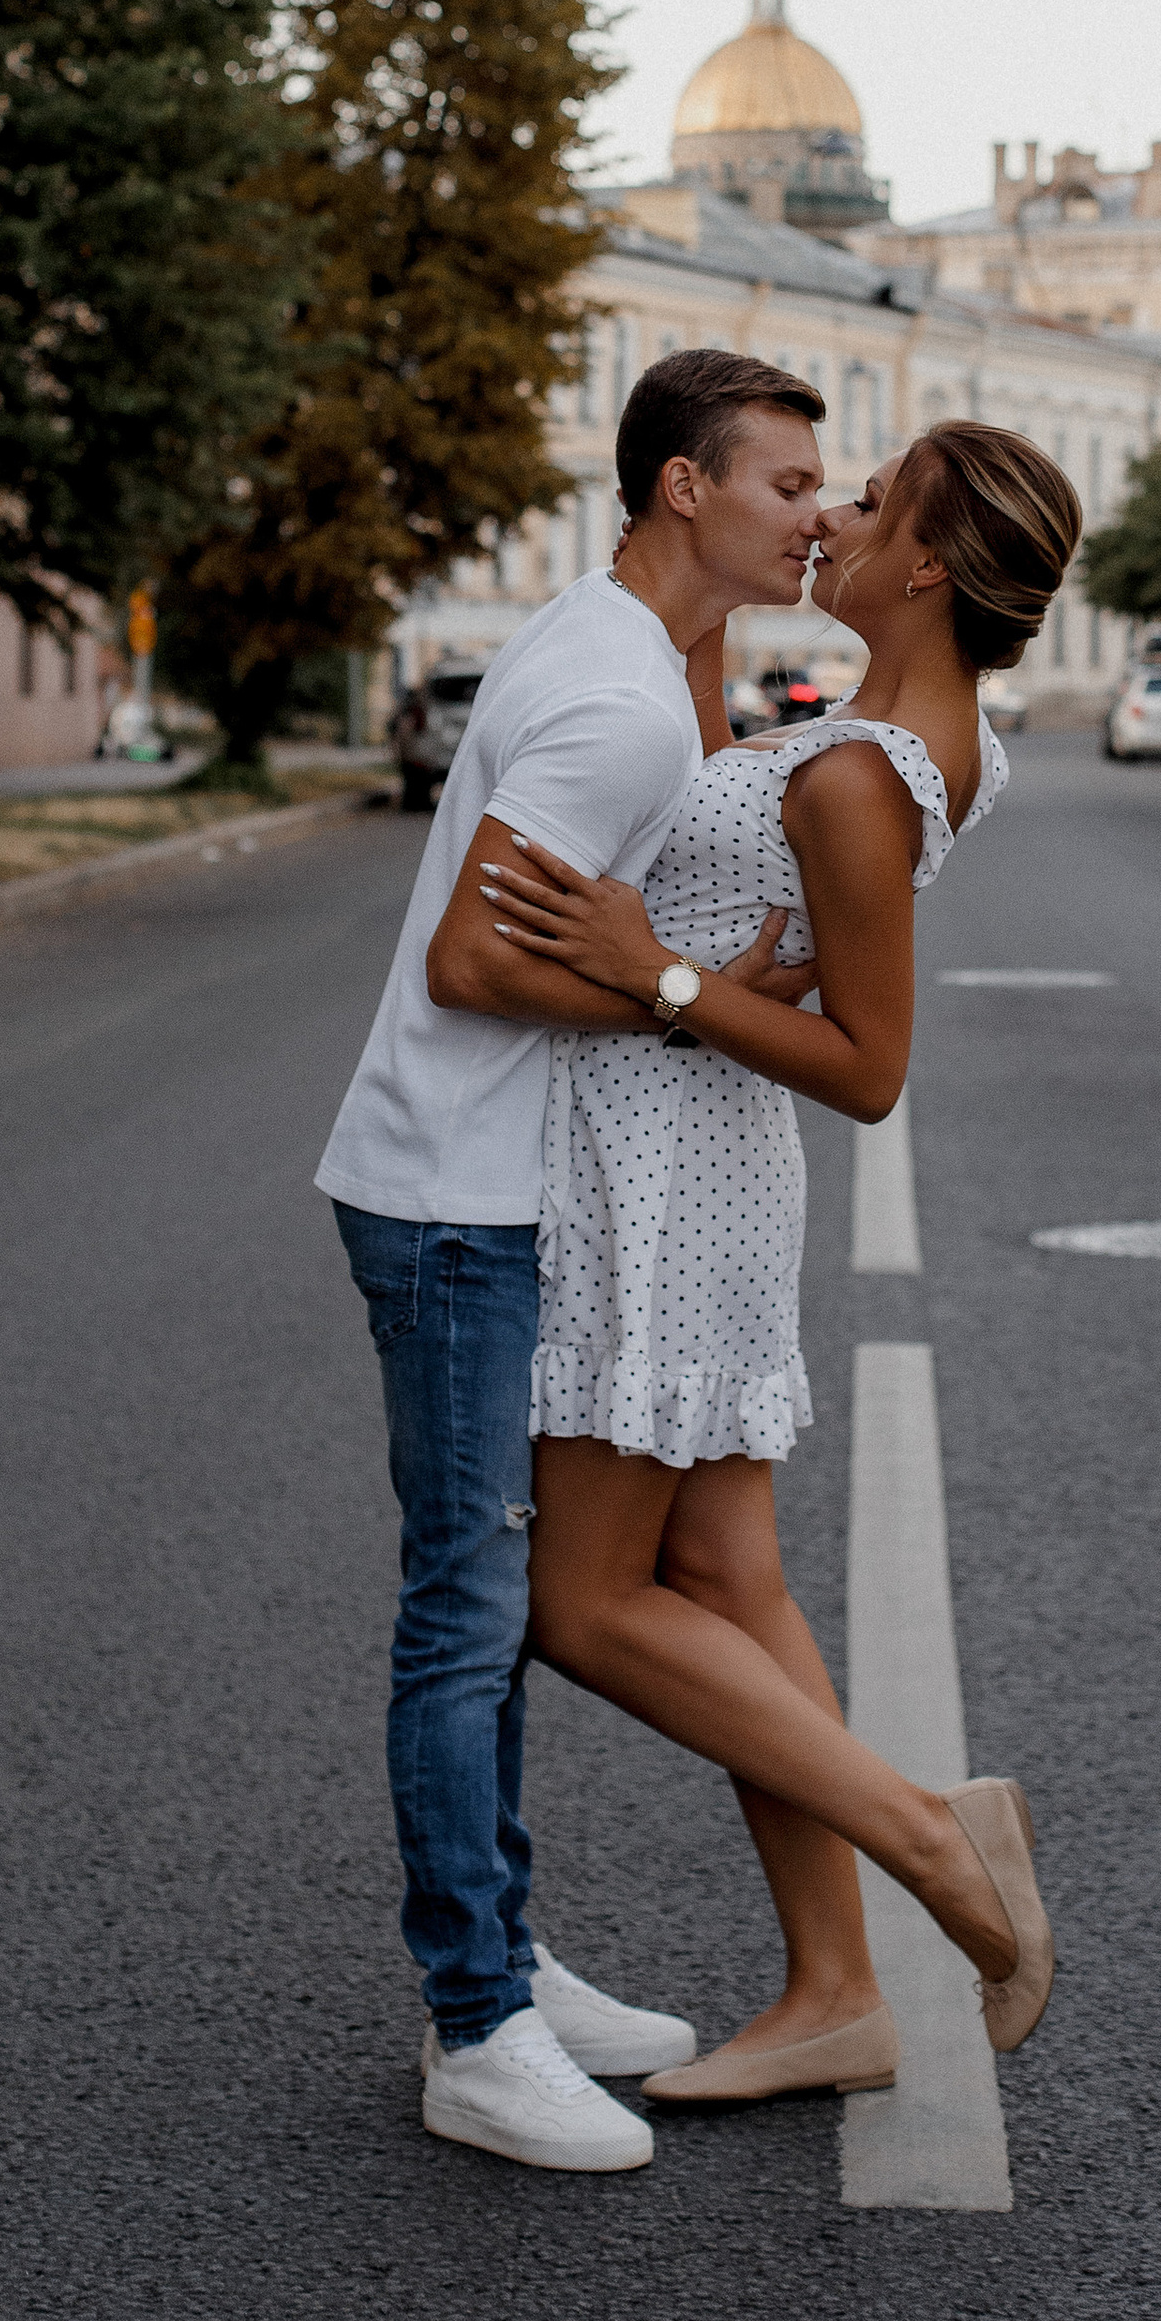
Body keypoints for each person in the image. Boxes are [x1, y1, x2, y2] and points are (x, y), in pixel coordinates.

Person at [474, 423, 1083, 2105]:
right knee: (731, 1578)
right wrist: (714, 613)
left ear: (929, 572)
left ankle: (934, 1845)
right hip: (707, 1162)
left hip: (666, 1175)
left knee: (584, 1605)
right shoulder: (917, 740)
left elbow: (873, 1064)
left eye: (868, 502)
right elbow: (767, 896)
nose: (835, 512)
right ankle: (834, 1990)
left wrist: (656, 977)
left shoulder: (850, 773)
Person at [316, 349, 832, 2172]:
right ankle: (474, 2025)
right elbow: (470, 962)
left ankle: (504, 1951)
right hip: (458, 1197)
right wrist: (677, 995)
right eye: (783, 484)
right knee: (467, 1615)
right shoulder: (624, 702)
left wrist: (668, 984)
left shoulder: (615, 646)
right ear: (683, 489)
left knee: (494, 1614)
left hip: (469, 1181)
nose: (817, 514)